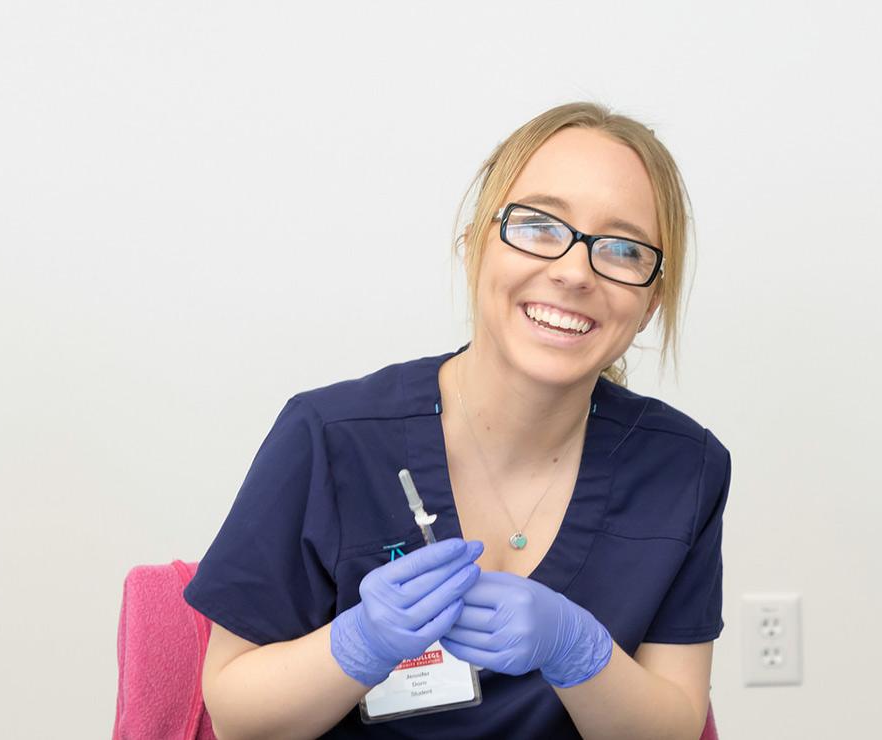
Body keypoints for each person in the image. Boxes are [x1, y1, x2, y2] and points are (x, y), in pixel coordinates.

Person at [184, 102, 728, 739]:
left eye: (622, 249)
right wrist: (355, 645)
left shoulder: (683, 468)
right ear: (475, 243)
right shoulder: (329, 438)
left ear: (649, 300)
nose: (575, 271)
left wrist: (581, 653)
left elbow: (674, 729)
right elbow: (234, 714)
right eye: (539, 225)